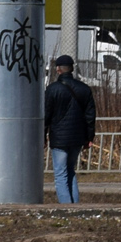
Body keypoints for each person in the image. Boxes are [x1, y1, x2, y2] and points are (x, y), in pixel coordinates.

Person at [43, 55, 95, 204]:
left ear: (58, 69)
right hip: (78, 138)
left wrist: (43, 137)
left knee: (60, 174)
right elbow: (90, 116)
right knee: (70, 171)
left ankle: (66, 208)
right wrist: (89, 137)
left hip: (59, 138)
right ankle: (75, 206)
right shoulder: (85, 89)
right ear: (72, 69)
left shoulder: (52, 89)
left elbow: (46, 115)